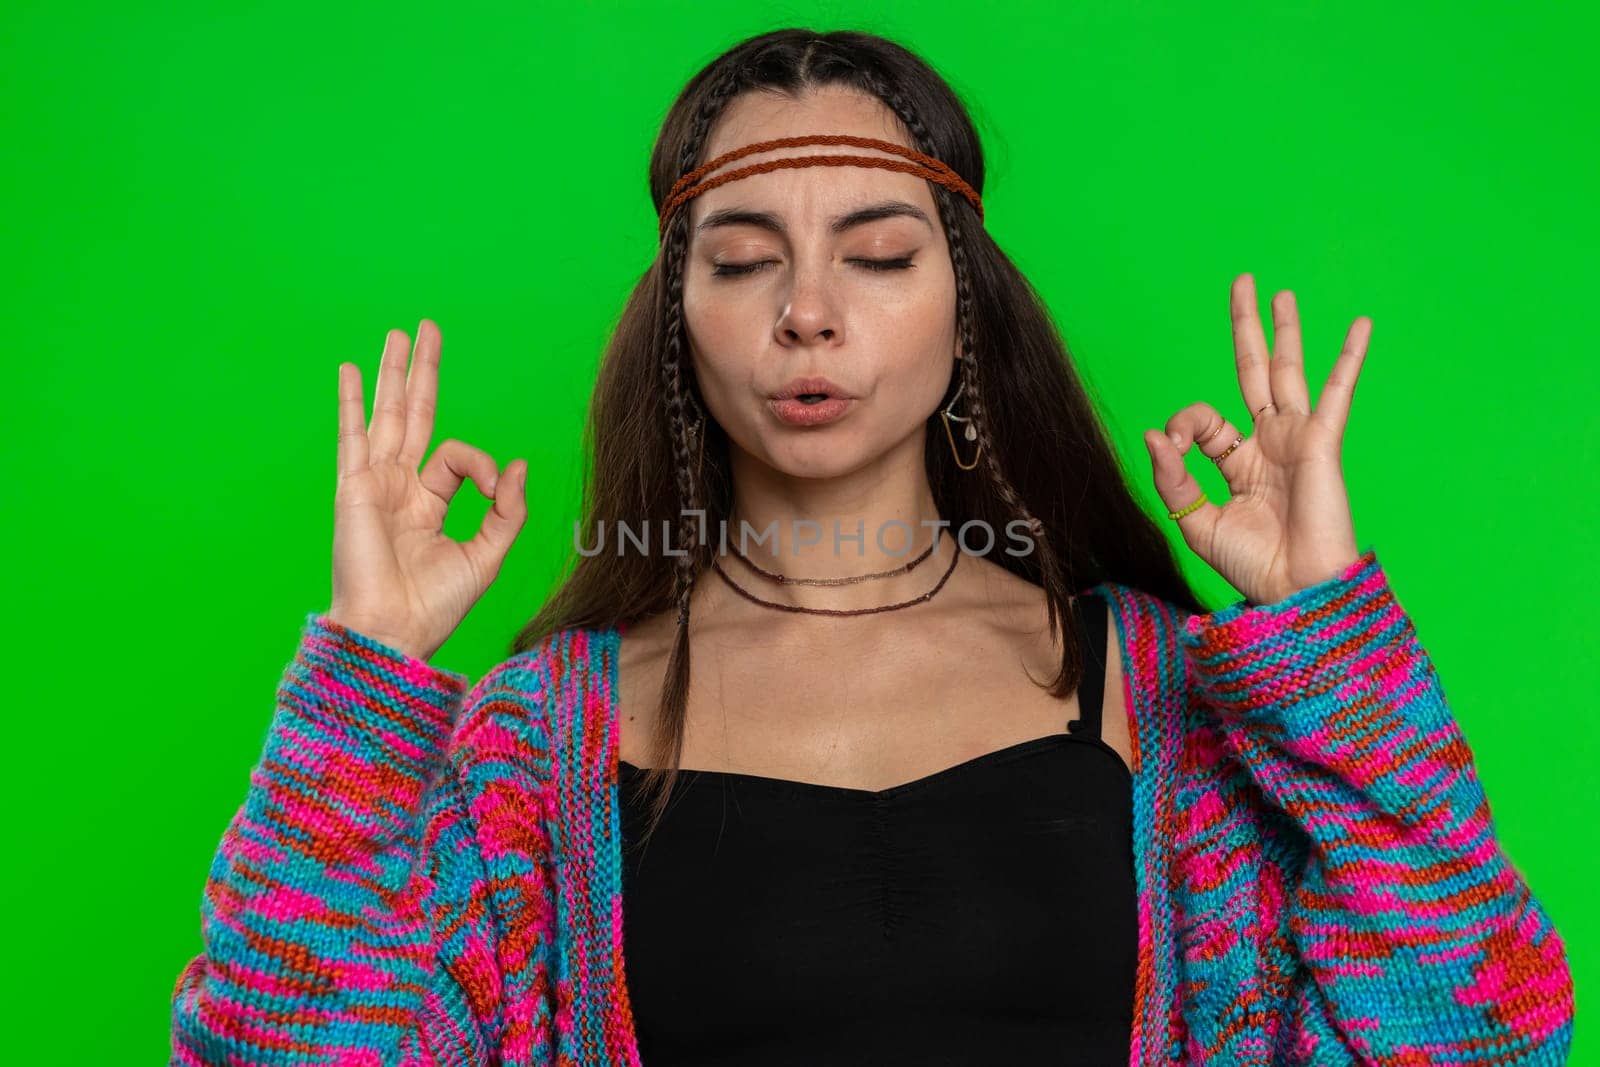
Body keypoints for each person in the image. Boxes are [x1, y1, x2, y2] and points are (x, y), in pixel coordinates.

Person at [169, 27, 1574, 1067]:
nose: (809, 312)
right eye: (739, 261)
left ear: (964, 306)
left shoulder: (1165, 694)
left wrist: (1328, 638)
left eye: (881, 252)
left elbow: (1474, 1032)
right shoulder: (537, 744)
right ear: (680, 318)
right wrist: (365, 679)